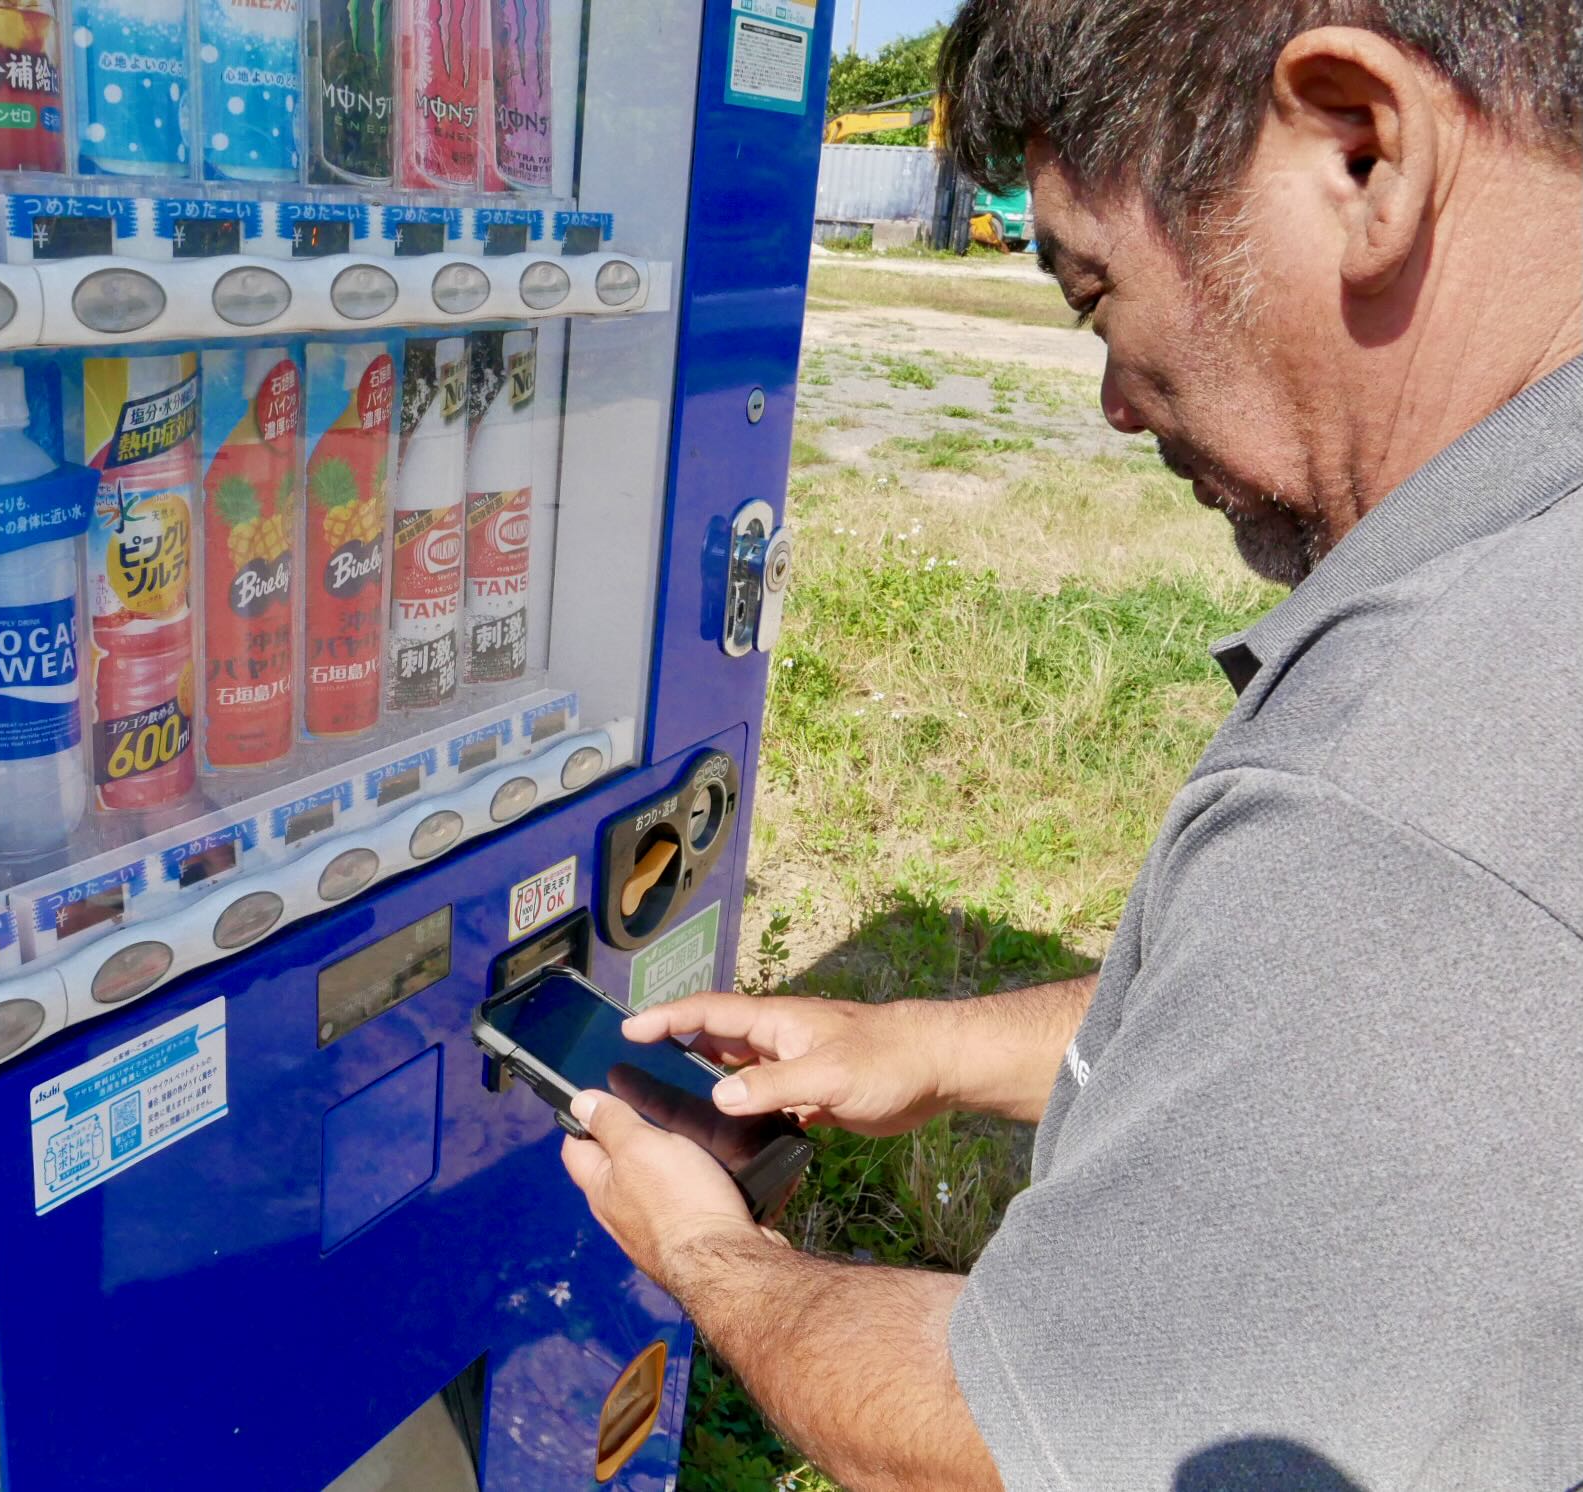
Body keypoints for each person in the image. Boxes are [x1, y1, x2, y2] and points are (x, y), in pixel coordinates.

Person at [558, 2, 1583, 1487]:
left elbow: (1017, 1446)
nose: (1109, 402)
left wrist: (712, 1256)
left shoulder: (1408, 782)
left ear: (1362, 144)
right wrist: (934, 1042)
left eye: (1094, 288)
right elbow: (1346, 1026)